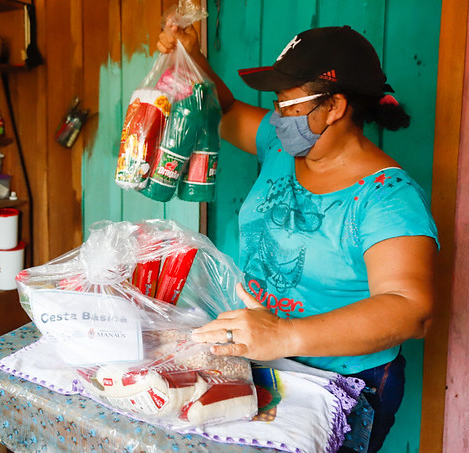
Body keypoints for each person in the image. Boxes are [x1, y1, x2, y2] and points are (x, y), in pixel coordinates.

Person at [157, 24, 438, 452]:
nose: (275, 117)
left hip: (341, 382)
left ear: (334, 107)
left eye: (287, 104)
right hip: (263, 358)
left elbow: (410, 308)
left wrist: (286, 335)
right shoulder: (280, 145)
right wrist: (190, 57)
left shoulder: (387, 199)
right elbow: (226, 110)